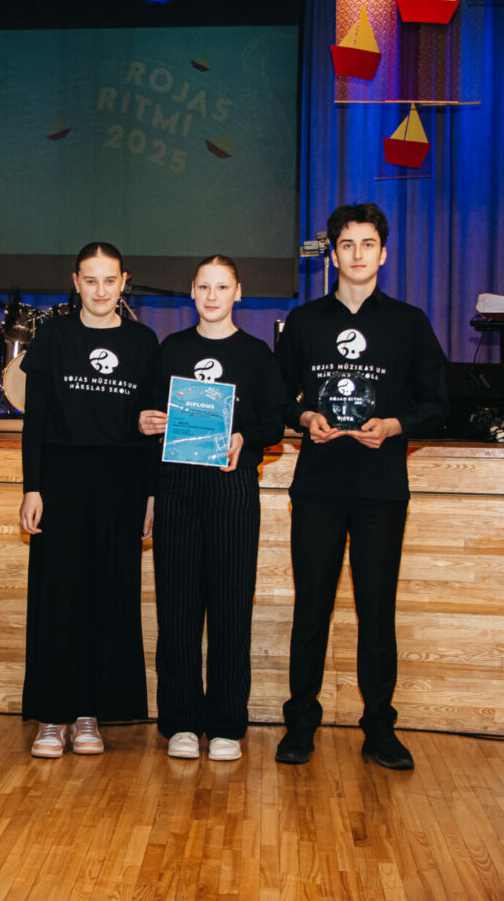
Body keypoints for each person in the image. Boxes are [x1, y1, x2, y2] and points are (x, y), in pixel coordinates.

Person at [274, 203, 449, 770]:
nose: (357, 254)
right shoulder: (304, 322)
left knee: (377, 614)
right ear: (332, 253)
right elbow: (276, 397)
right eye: (346, 244)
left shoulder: (408, 322)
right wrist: (304, 418)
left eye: (367, 244)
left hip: (381, 490)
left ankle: (379, 729)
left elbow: (439, 403)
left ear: (384, 253)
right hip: (318, 488)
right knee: (312, 610)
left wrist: (395, 425)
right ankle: (300, 724)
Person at [139, 255, 287, 761]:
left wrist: (246, 437)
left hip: (233, 490)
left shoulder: (257, 354)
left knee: (230, 611)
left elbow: (275, 425)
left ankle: (226, 725)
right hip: (177, 490)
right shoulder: (172, 349)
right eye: (204, 286)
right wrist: (146, 423)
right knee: (177, 612)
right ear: (192, 291)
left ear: (238, 293)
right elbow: (148, 416)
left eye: (222, 287)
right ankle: (181, 722)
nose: (212, 296)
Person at [19, 242, 159, 758]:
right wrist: (32, 486)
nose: (101, 290)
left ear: (124, 283)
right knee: (59, 598)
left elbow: (153, 425)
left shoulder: (144, 342)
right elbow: (36, 418)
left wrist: (151, 493)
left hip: (121, 485)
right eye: (91, 280)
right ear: (75, 283)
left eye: (110, 280)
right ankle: (52, 716)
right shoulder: (53, 335)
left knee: (107, 597)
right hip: (61, 483)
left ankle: (88, 715)